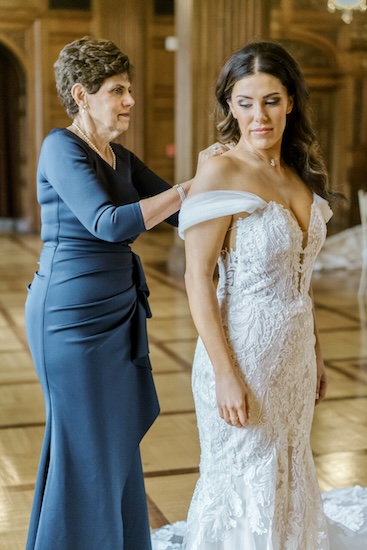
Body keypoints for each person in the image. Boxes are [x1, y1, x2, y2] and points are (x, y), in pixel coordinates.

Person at [151, 40, 367, 549]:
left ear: (291, 101)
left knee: (290, 468)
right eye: (244, 102)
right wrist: (226, 375)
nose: (259, 115)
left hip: (292, 359)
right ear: (230, 106)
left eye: (270, 100)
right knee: (242, 480)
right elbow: (197, 277)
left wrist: (314, 350)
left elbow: (302, 277)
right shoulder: (220, 171)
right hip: (240, 355)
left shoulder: (300, 172)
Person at [25, 35, 222, 550]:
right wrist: (188, 186)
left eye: (129, 89)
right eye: (117, 90)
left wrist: (233, 189)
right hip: (69, 319)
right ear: (81, 94)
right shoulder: (60, 146)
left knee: (114, 445)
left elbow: (184, 212)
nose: (129, 100)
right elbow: (108, 224)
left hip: (115, 312)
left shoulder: (120, 157)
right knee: (85, 446)